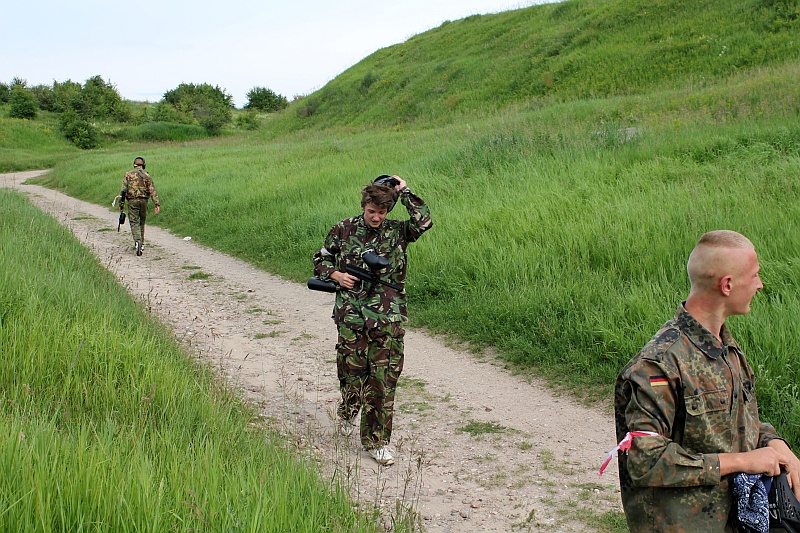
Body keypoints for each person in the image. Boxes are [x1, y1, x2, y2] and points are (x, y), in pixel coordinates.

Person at [614, 230, 800, 532]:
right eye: (754, 275)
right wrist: (742, 461)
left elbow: (739, 422)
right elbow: (646, 462)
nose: (760, 284)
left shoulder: (726, 348)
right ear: (727, 285)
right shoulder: (658, 364)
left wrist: (776, 445)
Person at [312, 175, 432, 466]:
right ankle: (348, 411)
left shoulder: (398, 232)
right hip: (352, 315)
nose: (376, 217)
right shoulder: (344, 229)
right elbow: (321, 258)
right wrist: (335, 274)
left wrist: (405, 192)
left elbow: (424, 222)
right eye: (371, 211)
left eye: (382, 212)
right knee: (352, 375)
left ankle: (377, 441)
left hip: (388, 316)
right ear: (363, 206)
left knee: (383, 378)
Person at [119, 156, 160, 256]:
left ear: (134, 164)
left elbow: (123, 191)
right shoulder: (147, 176)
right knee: (142, 222)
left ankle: (137, 241)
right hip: (144, 201)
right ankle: (141, 243)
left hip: (132, 201)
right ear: (143, 165)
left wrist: (121, 204)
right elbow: (152, 190)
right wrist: (156, 204)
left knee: (134, 222)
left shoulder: (128, 175)